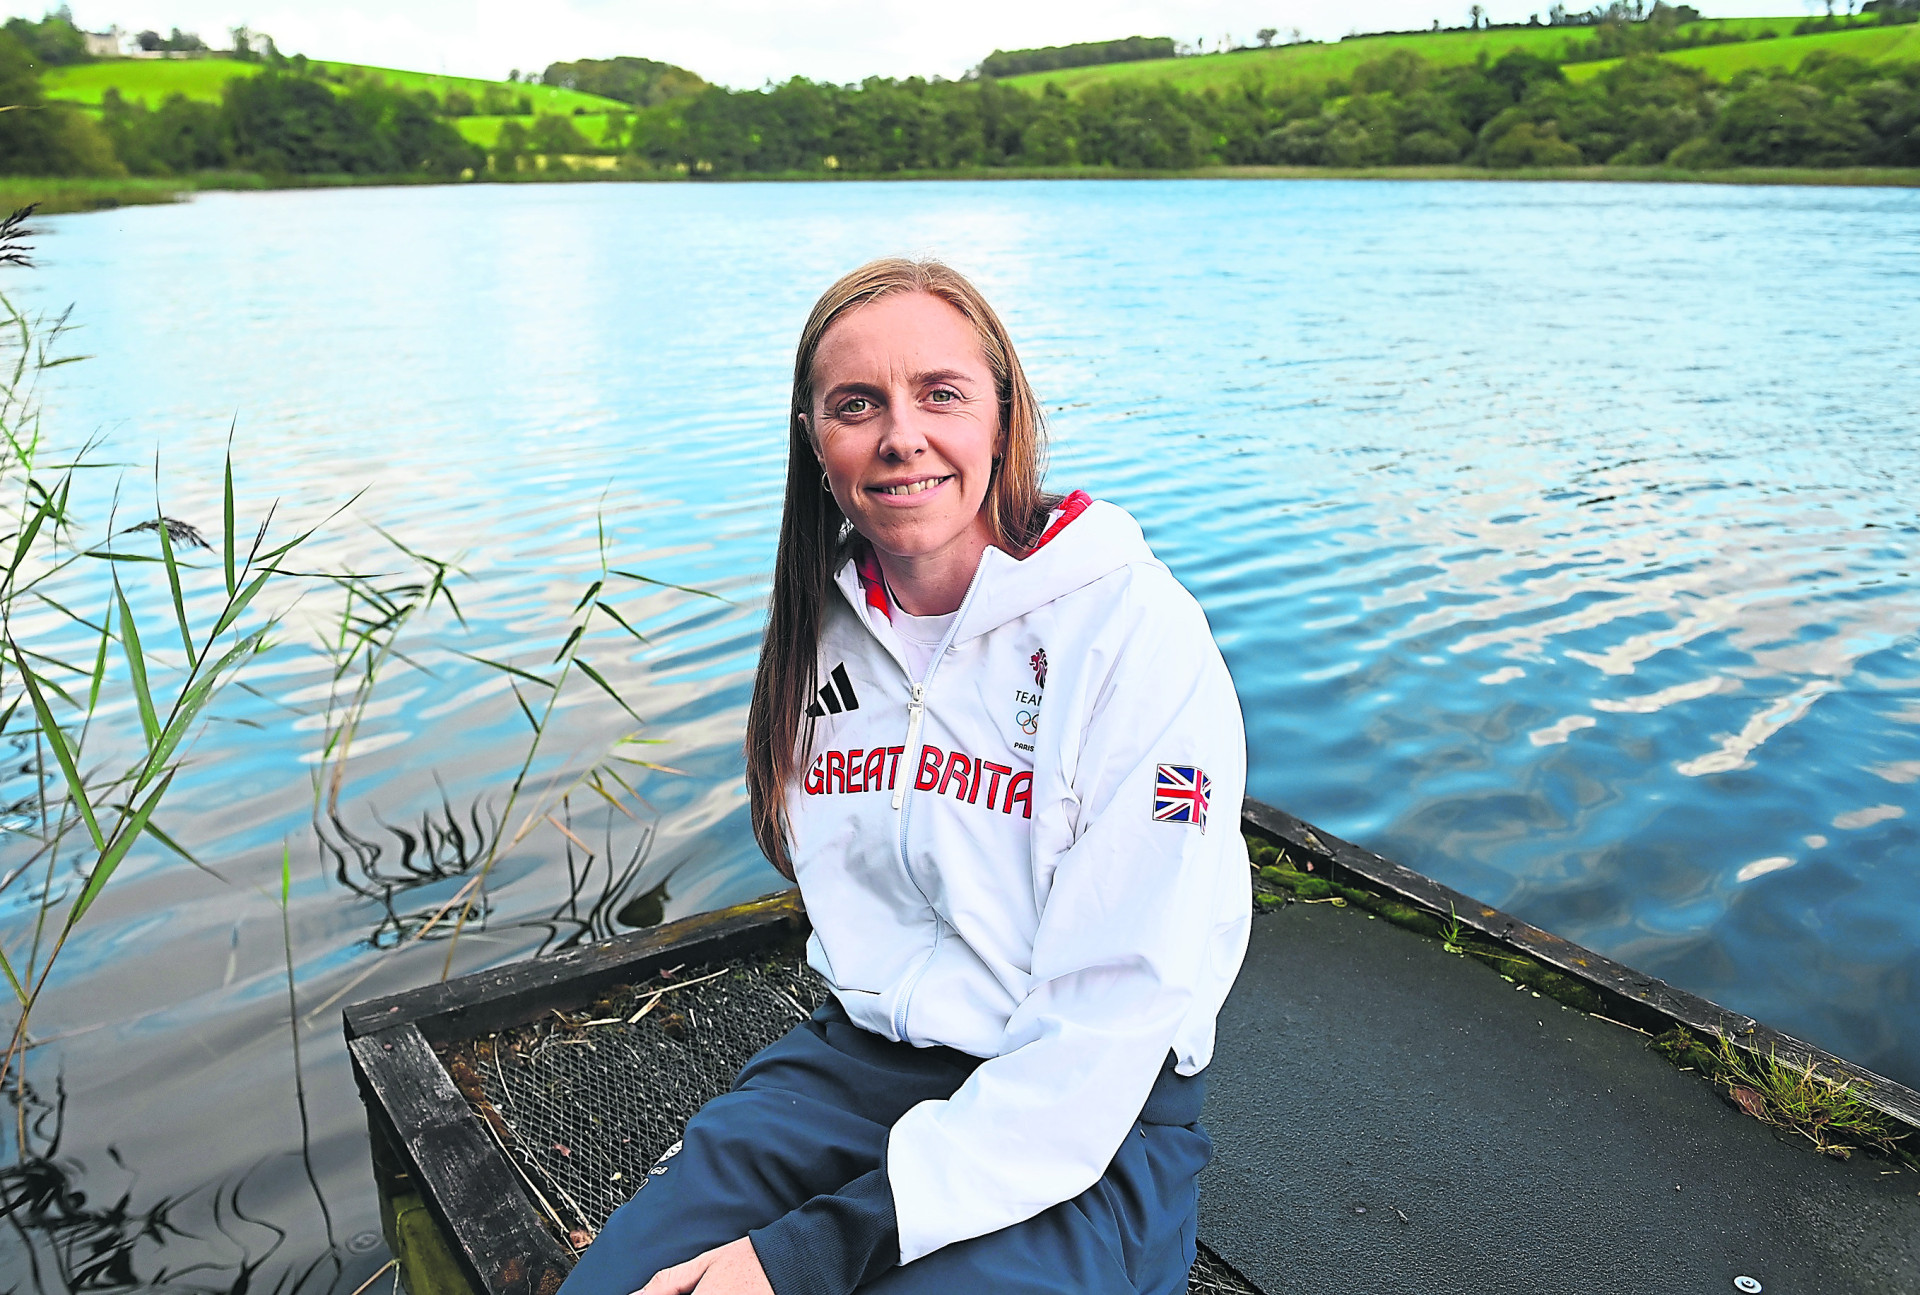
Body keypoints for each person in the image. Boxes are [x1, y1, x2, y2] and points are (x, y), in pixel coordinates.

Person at [560, 258, 1251, 1295]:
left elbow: (1111, 1021)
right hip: (853, 1072)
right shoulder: (823, 624)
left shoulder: (1133, 630)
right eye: (856, 404)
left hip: (1088, 1121)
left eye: (941, 392)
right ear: (814, 438)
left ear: (1004, 417)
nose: (900, 435)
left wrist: (799, 1255)